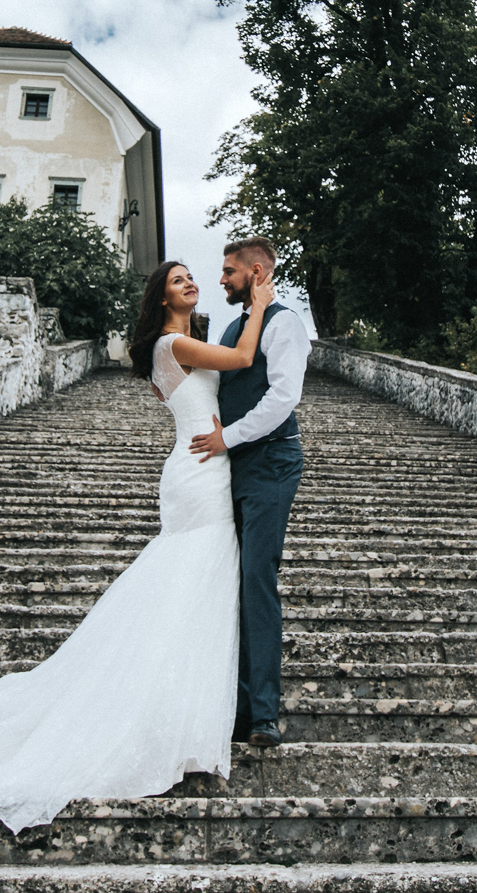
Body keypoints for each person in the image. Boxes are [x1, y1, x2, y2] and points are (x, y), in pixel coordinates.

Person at [0, 258, 275, 833]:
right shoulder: (171, 344)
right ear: (162, 299)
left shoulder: (185, 343)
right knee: (192, 577)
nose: (190, 284)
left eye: (191, 278)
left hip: (206, 466)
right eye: (178, 280)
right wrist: (259, 302)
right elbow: (240, 359)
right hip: (198, 472)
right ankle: (166, 715)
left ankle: (180, 711)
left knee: (194, 584)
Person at [187, 236, 309, 750]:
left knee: (257, 577)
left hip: (271, 463)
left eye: (229, 272)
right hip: (231, 468)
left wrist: (225, 438)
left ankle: (262, 713)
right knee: (228, 582)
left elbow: (283, 397)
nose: (221, 280)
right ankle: (233, 706)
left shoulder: (285, 323)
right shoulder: (238, 327)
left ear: (256, 272)